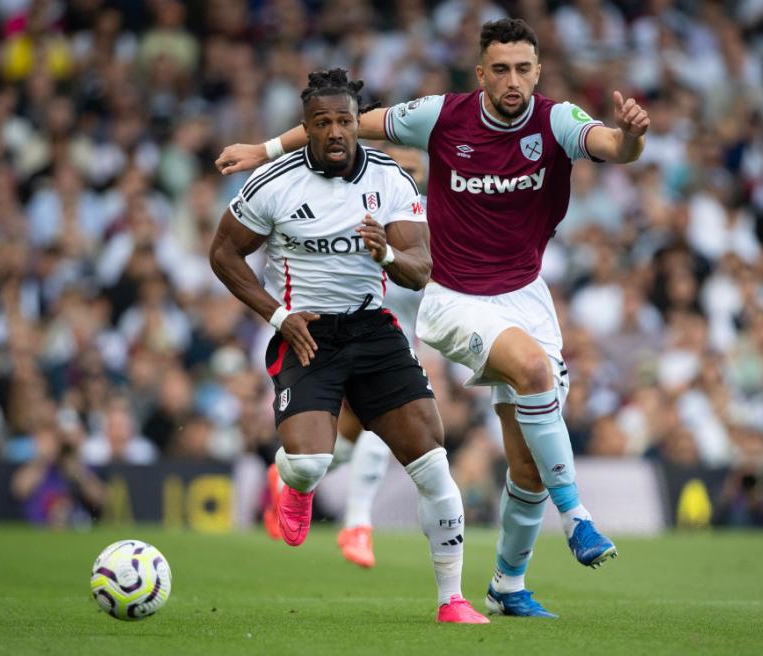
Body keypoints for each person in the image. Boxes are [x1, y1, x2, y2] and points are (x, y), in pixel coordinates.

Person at [216, 18, 650, 618]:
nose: (512, 80)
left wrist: (630, 137)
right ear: (481, 74)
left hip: (526, 296)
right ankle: (577, 517)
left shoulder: (557, 120)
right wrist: (266, 149)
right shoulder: (441, 115)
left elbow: (613, 148)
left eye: (523, 68)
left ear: (538, 72)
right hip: (453, 296)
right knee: (532, 373)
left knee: (524, 466)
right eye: (500, 69)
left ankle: (507, 585)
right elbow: (345, 122)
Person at [209, 69, 488, 624]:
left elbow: (422, 268)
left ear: (356, 125)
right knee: (309, 464)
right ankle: (291, 480)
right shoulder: (273, 183)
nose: (335, 131)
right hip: (307, 333)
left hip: (373, 329)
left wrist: (385, 255)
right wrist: (278, 315)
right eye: (322, 123)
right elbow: (223, 254)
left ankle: (452, 599)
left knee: (433, 464)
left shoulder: (390, 179)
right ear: (305, 128)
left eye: (344, 121)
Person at [264, 146, 428, 571]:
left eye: (414, 168)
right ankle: (356, 523)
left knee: (354, 437)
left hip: (395, 335)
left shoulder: (417, 214)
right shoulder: (357, 200)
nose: (407, 174)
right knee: (369, 427)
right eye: (400, 166)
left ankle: (289, 475)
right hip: (344, 333)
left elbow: (427, 273)